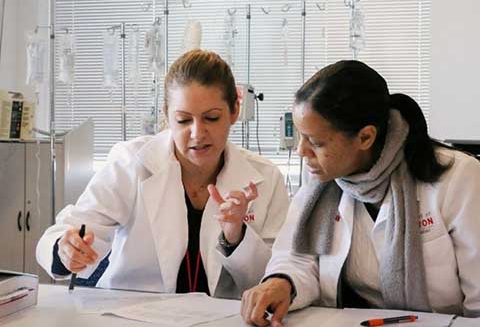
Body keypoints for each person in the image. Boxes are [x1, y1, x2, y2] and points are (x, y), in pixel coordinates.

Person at [241, 60, 480, 326]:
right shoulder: (323, 178)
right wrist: (281, 282)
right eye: (300, 137)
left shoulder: (458, 178)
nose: (301, 151)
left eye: (316, 142)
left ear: (365, 137)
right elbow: (297, 256)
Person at [36, 49, 289, 298]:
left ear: (235, 109)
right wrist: (66, 250)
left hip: (225, 317)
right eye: (183, 120)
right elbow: (68, 232)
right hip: (134, 313)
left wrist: (237, 237)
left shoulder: (266, 178)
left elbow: (274, 276)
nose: (197, 133)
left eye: (211, 118)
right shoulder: (131, 163)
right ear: (166, 114)